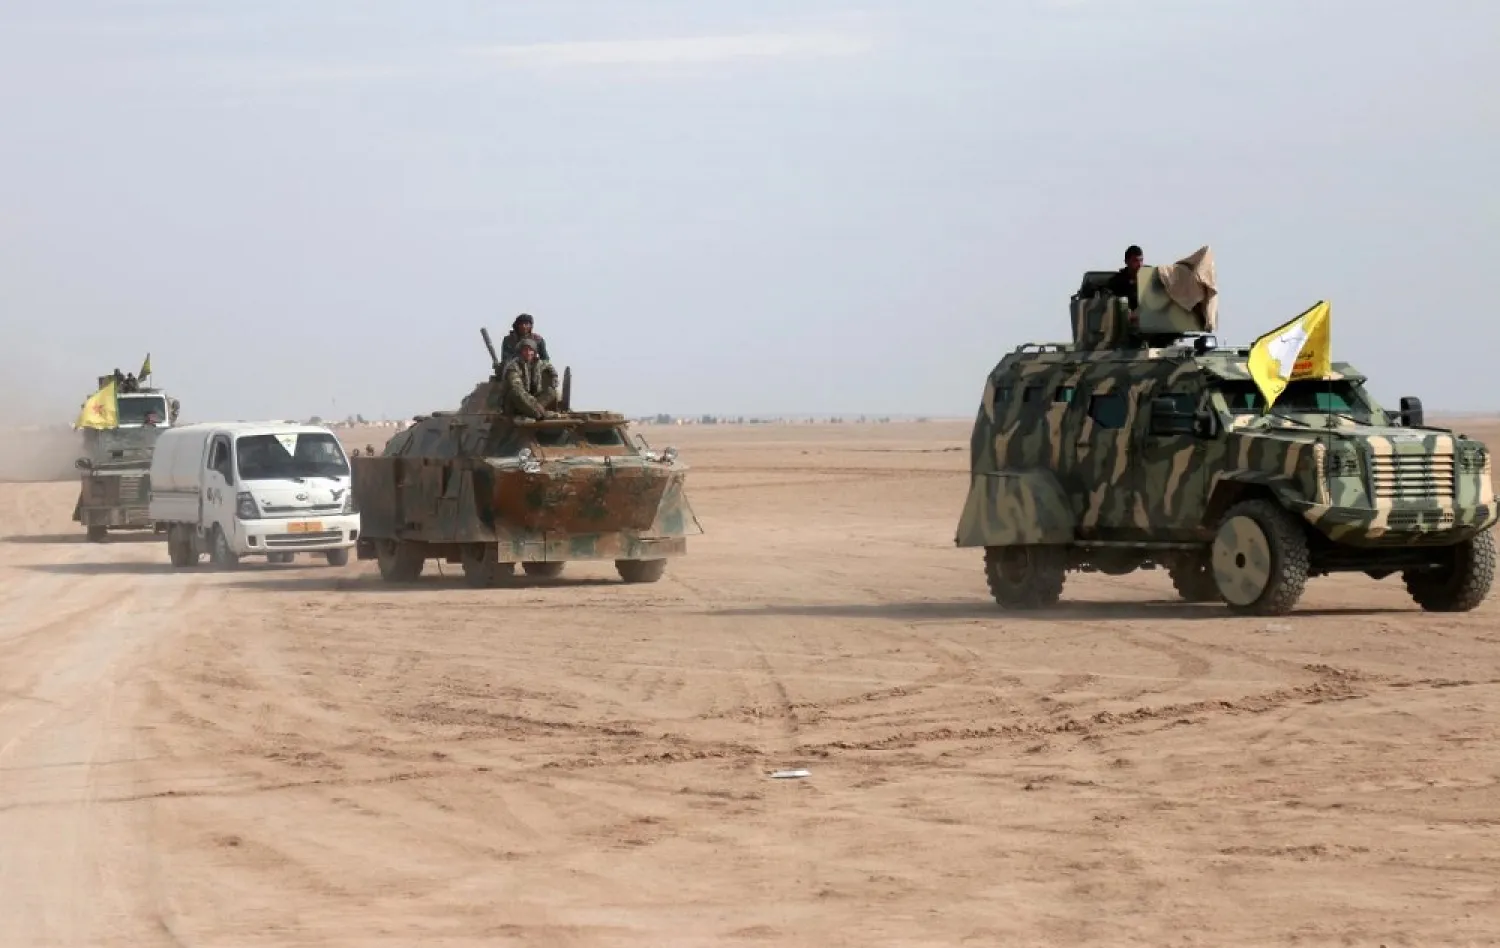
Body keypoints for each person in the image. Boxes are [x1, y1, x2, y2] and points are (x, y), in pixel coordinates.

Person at [500, 337, 560, 419]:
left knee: (551, 392)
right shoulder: (513, 366)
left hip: (532, 402)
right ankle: (540, 415)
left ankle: (530, 413)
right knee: (516, 392)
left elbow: (549, 367)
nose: (528, 353)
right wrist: (535, 404)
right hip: (515, 404)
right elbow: (517, 387)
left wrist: (554, 377)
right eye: (525, 350)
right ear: (520, 352)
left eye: (530, 350)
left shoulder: (538, 364)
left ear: (534, 352)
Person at [1106, 245, 1145, 312]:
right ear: (1126, 262)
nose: (1140, 264)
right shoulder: (1118, 282)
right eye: (1135, 261)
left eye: (1141, 260)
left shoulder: (1149, 276)